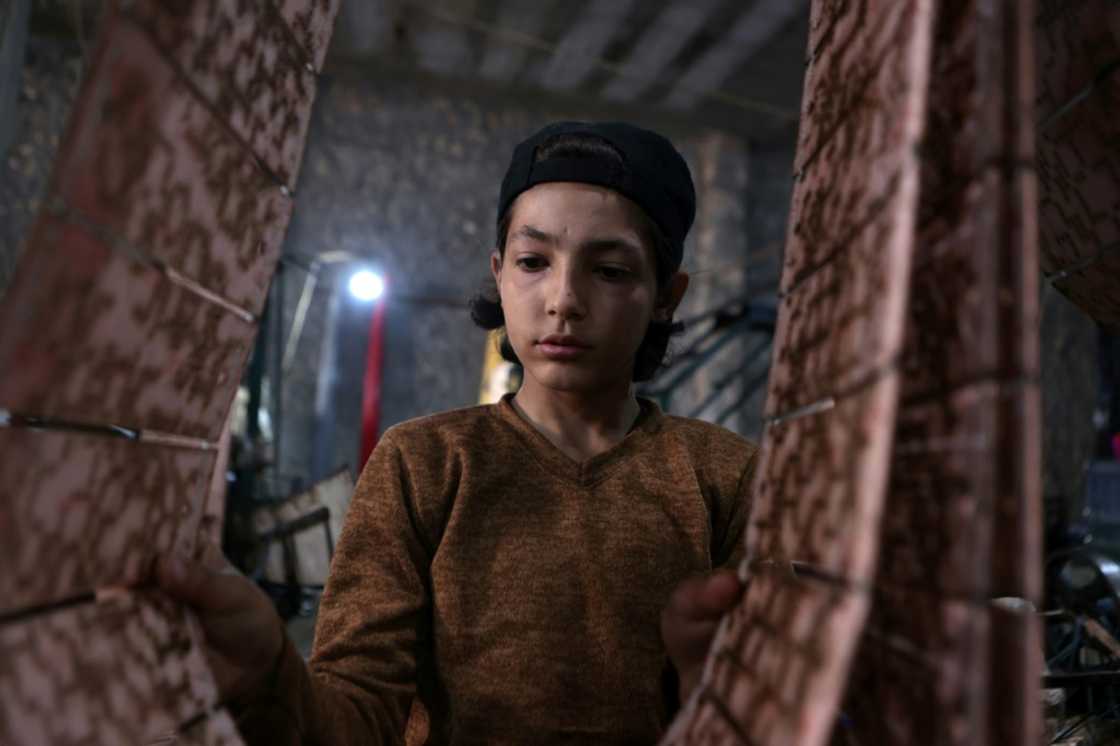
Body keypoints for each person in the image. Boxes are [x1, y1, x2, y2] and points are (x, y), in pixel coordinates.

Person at [154, 120, 759, 745]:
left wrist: (705, 684)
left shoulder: (724, 477)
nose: (563, 299)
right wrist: (268, 678)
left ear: (667, 295)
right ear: (499, 272)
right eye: (533, 261)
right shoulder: (424, 464)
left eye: (609, 270)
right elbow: (356, 715)